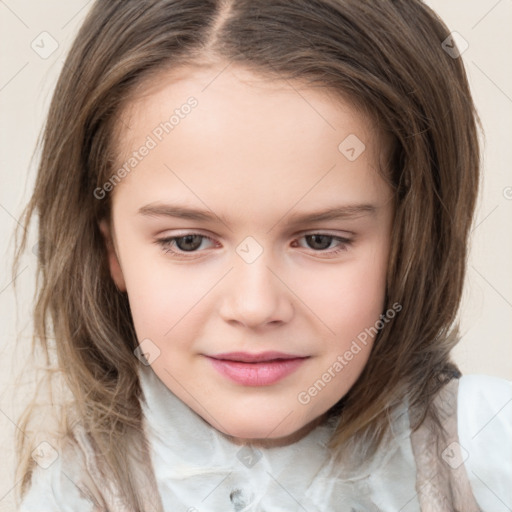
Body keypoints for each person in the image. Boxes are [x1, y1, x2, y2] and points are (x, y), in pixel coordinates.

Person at [13, 0, 511, 510]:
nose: (254, 306)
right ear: (110, 251)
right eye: (188, 241)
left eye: (320, 240)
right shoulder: (70, 493)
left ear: (410, 241)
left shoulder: (489, 451)